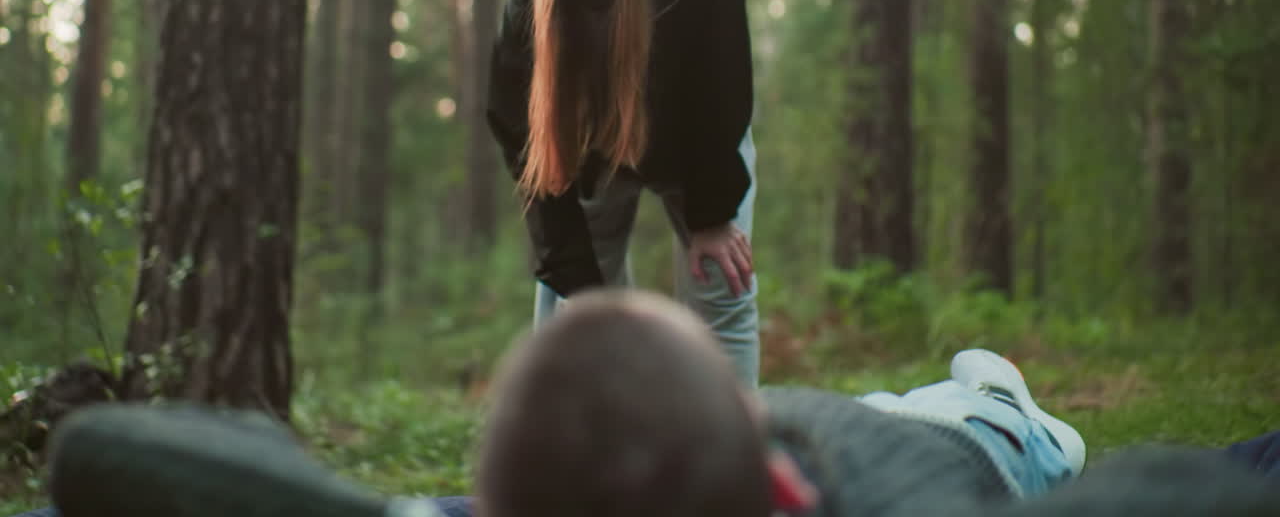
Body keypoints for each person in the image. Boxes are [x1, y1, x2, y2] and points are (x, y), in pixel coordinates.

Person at [29, 290, 1280, 517]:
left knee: (986, 416)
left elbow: (101, 460)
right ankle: (994, 386)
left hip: (936, 443)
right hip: (932, 450)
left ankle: (998, 385)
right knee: (979, 418)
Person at [486, 0, 760, 385]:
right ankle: (591, 460)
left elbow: (725, 89)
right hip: (591, 155)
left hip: (697, 147)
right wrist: (575, 278)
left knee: (723, 287)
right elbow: (523, 140)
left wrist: (713, 216)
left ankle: (727, 462)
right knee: (574, 318)